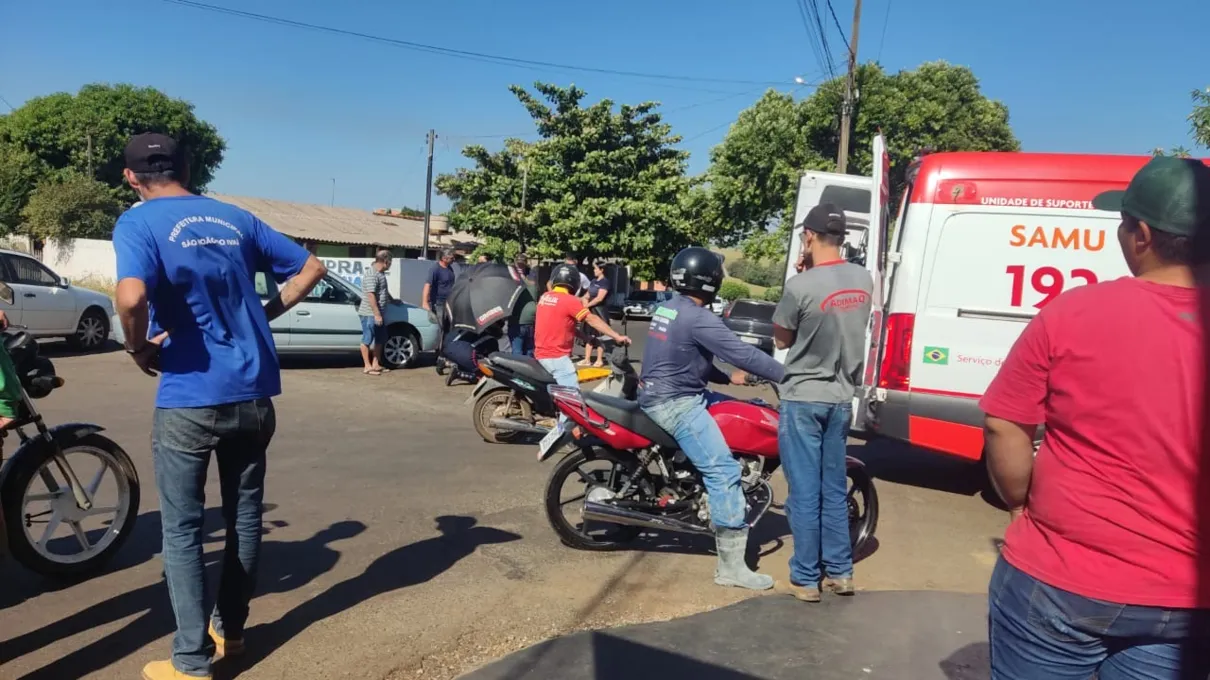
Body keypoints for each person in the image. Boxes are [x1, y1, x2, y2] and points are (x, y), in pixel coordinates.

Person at [980, 156, 1210, 680]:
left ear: (1142, 235)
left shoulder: (1073, 313)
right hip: (1188, 604)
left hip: (1060, 582)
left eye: (1123, 223)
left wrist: (1019, 502)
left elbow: (1005, 424)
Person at [112, 133, 327, 680]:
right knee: (245, 514)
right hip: (254, 392)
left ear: (131, 177)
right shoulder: (236, 217)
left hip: (189, 394)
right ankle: (230, 634)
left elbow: (132, 297)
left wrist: (138, 348)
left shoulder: (138, 222)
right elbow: (312, 268)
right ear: (186, 167)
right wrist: (261, 315)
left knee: (182, 529)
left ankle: (189, 662)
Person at [639, 247, 786, 591]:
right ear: (711, 281)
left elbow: (684, 356)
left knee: (744, 412)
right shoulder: (698, 316)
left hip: (669, 392)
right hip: (676, 402)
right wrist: (788, 375)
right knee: (723, 471)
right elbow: (742, 352)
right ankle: (732, 569)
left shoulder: (670, 308)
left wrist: (727, 378)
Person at [771, 203, 872, 603]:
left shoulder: (800, 286)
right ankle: (841, 573)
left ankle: (805, 578)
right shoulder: (863, 279)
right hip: (840, 399)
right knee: (833, 488)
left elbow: (782, 339)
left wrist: (801, 276)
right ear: (842, 238)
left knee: (804, 491)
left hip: (803, 399)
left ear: (808, 237)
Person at [535, 263, 630, 413]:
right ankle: (565, 431)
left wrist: (585, 337)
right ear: (574, 282)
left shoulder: (545, 297)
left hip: (541, 355)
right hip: (557, 358)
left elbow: (562, 324)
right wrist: (616, 336)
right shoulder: (570, 301)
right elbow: (592, 319)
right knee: (574, 405)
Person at [358, 249, 393, 376]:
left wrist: (392, 300)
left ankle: (376, 364)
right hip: (369, 314)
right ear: (385, 261)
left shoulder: (381, 274)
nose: (391, 264)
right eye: (390, 262)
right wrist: (376, 314)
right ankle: (367, 366)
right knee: (367, 339)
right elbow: (371, 295)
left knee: (379, 339)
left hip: (379, 313)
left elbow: (383, 290)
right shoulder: (372, 274)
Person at [579, 262, 612, 368]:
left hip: (600, 311)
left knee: (600, 335)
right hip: (589, 309)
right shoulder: (593, 281)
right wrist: (584, 302)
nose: (594, 270)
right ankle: (587, 359)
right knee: (588, 335)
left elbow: (599, 298)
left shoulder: (605, 282)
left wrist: (587, 305)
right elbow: (587, 295)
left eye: (596, 269)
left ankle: (599, 360)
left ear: (602, 270)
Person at [423, 248, 456, 347]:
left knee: (449, 327)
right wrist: (425, 302)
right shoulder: (435, 269)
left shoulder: (450, 268)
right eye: (451, 258)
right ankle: (438, 351)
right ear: (444, 258)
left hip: (449, 303)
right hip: (439, 303)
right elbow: (427, 285)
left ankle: (446, 350)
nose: (453, 259)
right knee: (439, 327)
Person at [509, 254, 538, 356]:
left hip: (526, 321)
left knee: (524, 352)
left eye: (522, 264)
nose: (520, 266)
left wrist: (522, 277)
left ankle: (522, 371)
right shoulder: (511, 275)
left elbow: (533, 284)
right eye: (518, 264)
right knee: (523, 351)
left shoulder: (530, 274)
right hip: (518, 320)